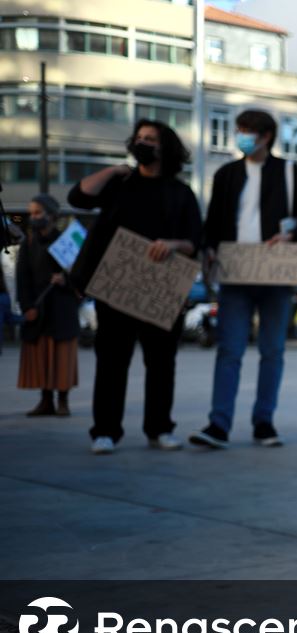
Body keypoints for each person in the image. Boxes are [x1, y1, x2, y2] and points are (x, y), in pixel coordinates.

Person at [188, 110, 297, 450]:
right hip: (235, 272)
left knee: (272, 351)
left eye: (247, 131)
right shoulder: (226, 175)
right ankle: (218, 424)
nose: (241, 137)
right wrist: (207, 250)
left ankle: (263, 422)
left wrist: (291, 239)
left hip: (275, 273)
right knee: (229, 350)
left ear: (266, 136)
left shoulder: (290, 173)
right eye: (239, 131)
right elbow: (214, 223)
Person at [67, 119, 202, 454]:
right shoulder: (119, 185)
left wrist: (172, 244)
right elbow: (78, 197)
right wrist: (114, 171)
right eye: (139, 138)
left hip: (162, 288)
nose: (143, 143)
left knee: (161, 363)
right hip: (116, 288)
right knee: (111, 361)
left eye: (151, 139)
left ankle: (159, 429)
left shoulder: (181, 193)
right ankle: (105, 431)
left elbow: (196, 241)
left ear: (165, 147)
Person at [15, 194, 80, 416]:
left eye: (37, 212)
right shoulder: (29, 243)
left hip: (62, 309)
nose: (33, 217)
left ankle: (63, 401)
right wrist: (27, 307)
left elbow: (81, 276)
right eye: (31, 212)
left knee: (62, 356)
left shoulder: (67, 241)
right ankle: (46, 400)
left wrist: (66, 280)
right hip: (38, 308)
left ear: (51, 215)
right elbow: (21, 279)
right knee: (42, 355)